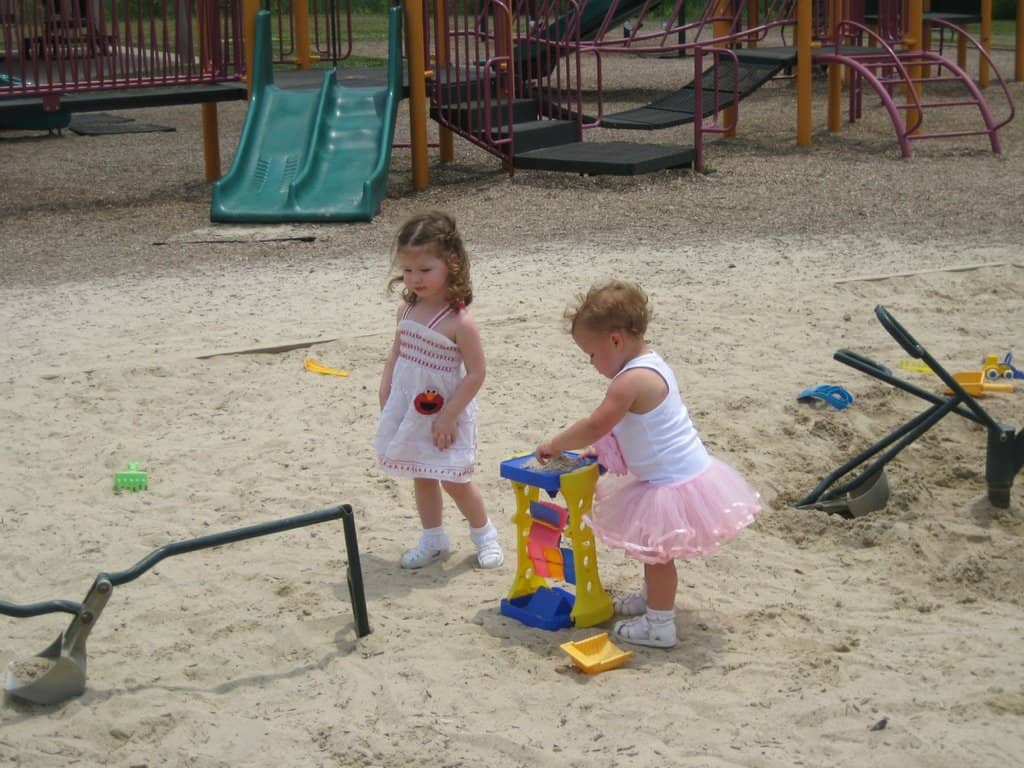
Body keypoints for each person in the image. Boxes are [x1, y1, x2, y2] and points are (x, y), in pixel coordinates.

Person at [535, 281, 760, 647]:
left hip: (671, 484)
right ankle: (651, 598)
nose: (591, 364)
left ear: (615, 340)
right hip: (681, 475)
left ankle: (660, 625)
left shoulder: (629, 383)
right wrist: (602, 452)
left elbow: (596, 424)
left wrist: (553, 444)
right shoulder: (652, 363)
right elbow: (638, 428)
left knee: (657, 556)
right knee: (655, 553)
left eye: (591, 354)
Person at [374, 212, 504, 570]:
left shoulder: (459, 322)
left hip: (447, 412)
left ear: (452, 263)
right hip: (411, 409)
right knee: (423, 474)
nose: (415, 278)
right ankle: (433, 538)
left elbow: (476, 373)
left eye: (425, 270)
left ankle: (485, 535)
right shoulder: (406, 310)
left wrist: (449, 416)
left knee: (456, 479)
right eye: (408, 270)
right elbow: (397, 353)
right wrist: (386, 389)